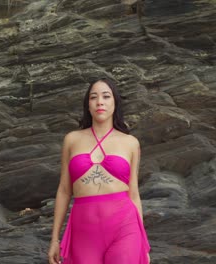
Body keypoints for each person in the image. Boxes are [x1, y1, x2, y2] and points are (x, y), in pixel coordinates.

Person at [48, 78, 151, 264]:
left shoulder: (130, 143)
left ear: (115, 103)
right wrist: (55, 240)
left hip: (125, 227)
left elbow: (134, 194)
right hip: (83, 231)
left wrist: (143, 242)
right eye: (93, 97)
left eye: (106, 96)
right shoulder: (72, 140)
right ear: (88, 105)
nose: (100, 102)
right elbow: (64, 190)